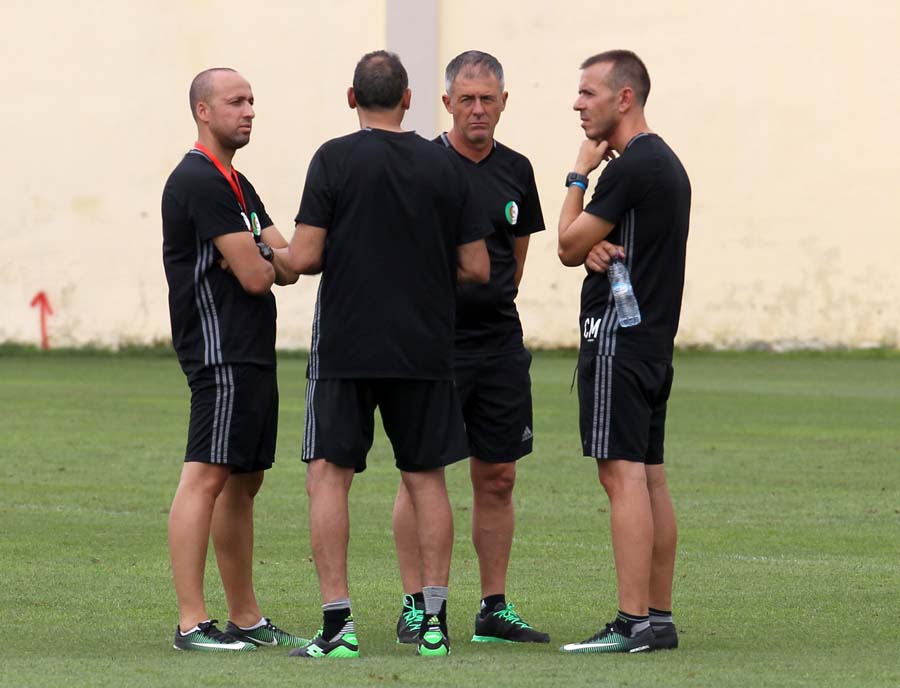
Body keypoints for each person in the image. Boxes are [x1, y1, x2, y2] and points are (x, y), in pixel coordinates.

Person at [279, 50, 491, 659]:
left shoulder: (333, 158)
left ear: (352, 98)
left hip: (347, 344)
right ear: (408, 99)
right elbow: (478, 265)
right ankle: (433, 624)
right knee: (427, 479)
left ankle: (338, 625)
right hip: (423, 343)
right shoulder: (443, 165)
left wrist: (272, 255)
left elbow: (307, 255)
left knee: (328, 477)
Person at [391, 50, 549, 645]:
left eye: (488, 99)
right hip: (432, 345)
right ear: (447, 103)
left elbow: (517, 258)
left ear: (504, 102)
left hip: (500, 344)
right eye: (467, 99)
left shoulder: (517, 169)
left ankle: (493, 608)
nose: (478, 110)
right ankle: (415, 603)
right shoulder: (425, 165)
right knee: (421, 474)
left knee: (499, 475)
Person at [161, 67, 306, 652]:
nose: (248, 111)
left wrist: (260, 253)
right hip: (218, 349)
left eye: (252, 100)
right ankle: (192, 623)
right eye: (235, 101)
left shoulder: (239, 183)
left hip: (251, 351)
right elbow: (253, 277)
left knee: (244, 483)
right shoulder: (199, 180)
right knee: (206, 476)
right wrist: (259, 258)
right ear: (203, 110)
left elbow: (289, 265)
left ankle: (245, 618)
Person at [556, 50, 691, 654]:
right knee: (650, 478)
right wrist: (595, 245)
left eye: (588, 92)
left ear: (625, 98)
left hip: (617, 341)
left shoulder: (631, 166)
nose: (578, 103)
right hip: (655, 346)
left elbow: (564, 242)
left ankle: (633, 621)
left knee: (621, 478)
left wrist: (579, 174)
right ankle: (656, 617)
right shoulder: (667, 163)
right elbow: (603, 244)